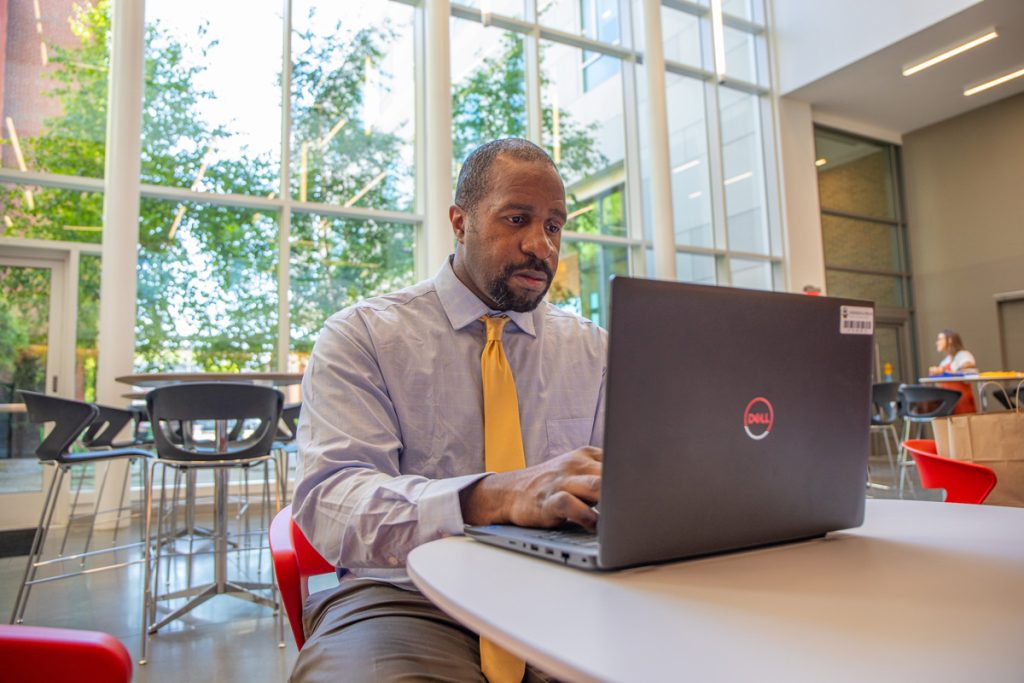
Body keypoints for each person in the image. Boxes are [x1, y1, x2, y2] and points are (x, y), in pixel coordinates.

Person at [290, 138, 607, 683]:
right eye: (517, 218)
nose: (542, 246)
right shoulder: (363, 335)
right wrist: (491, 496)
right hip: (404, 595)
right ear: (460, 222)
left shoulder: (594, 351)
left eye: (554, 226)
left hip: (566, 591)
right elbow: (331, 499)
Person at [928, 329, 977, 414]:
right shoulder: (945, 361)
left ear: (950, 340)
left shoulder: (963, 355)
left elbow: (968, 365)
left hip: (961, 400)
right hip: (947, 400)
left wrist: (944, 370)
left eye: (940, 339)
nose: (937, 342)